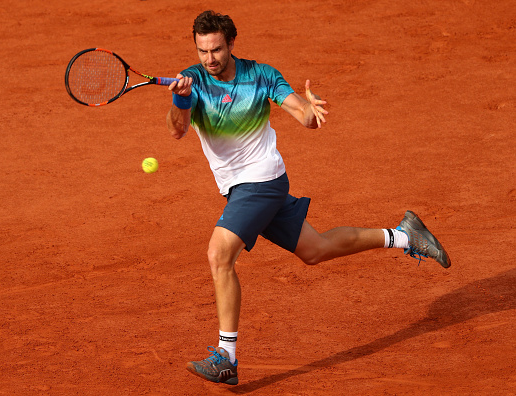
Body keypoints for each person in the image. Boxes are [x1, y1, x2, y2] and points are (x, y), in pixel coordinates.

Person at [166, 10, 451, 386]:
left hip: (262, 181)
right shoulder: (193, 81)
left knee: (219, 254)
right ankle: (404, 234)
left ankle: (226, 356)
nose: (210, 59)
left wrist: (310, 113)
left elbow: (300, 111)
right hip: (241, 188)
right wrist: (182, 101)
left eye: (216, 49)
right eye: (203, 51)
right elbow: (177, 130)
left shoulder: (261, 75)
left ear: (231, 43)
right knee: (315, 249)